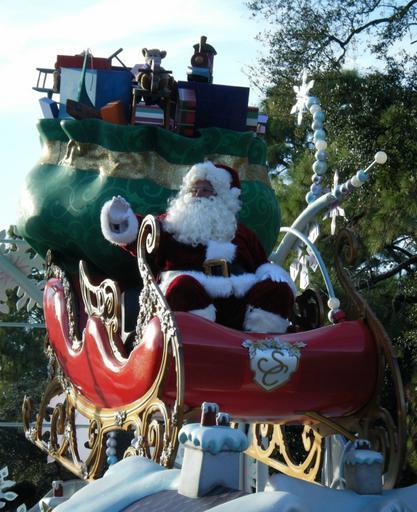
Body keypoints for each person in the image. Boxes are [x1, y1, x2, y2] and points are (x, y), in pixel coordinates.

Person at [100, 161, 296, 333]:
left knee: (276, 290)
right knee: (184, 288)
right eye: (193, 190)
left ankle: (262, 343)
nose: (198, 194)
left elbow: (262, 264)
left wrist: (270, 274)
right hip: (189, 299)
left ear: (222, 197)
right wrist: (121, 221)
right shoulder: (170, 225)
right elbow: (140, 234)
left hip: (239, 303)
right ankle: (196, 344)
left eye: (205, 189)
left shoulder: (242, 234)